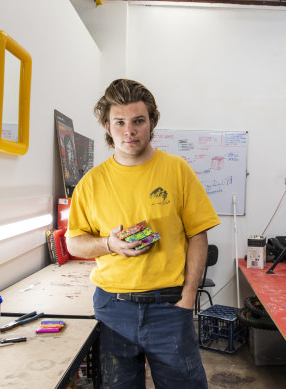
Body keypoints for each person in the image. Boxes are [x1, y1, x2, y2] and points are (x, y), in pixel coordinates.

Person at [66, 78, 220, 389]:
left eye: (138, 121)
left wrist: (189, 295)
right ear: (107, 126)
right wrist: (109, 244)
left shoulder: (177, 170)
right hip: (112, 310)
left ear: (152, 122)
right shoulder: (91, 182)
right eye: (119, 122)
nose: (129, 131)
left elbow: (198, 235)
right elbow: (74, 243)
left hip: (170, 307)